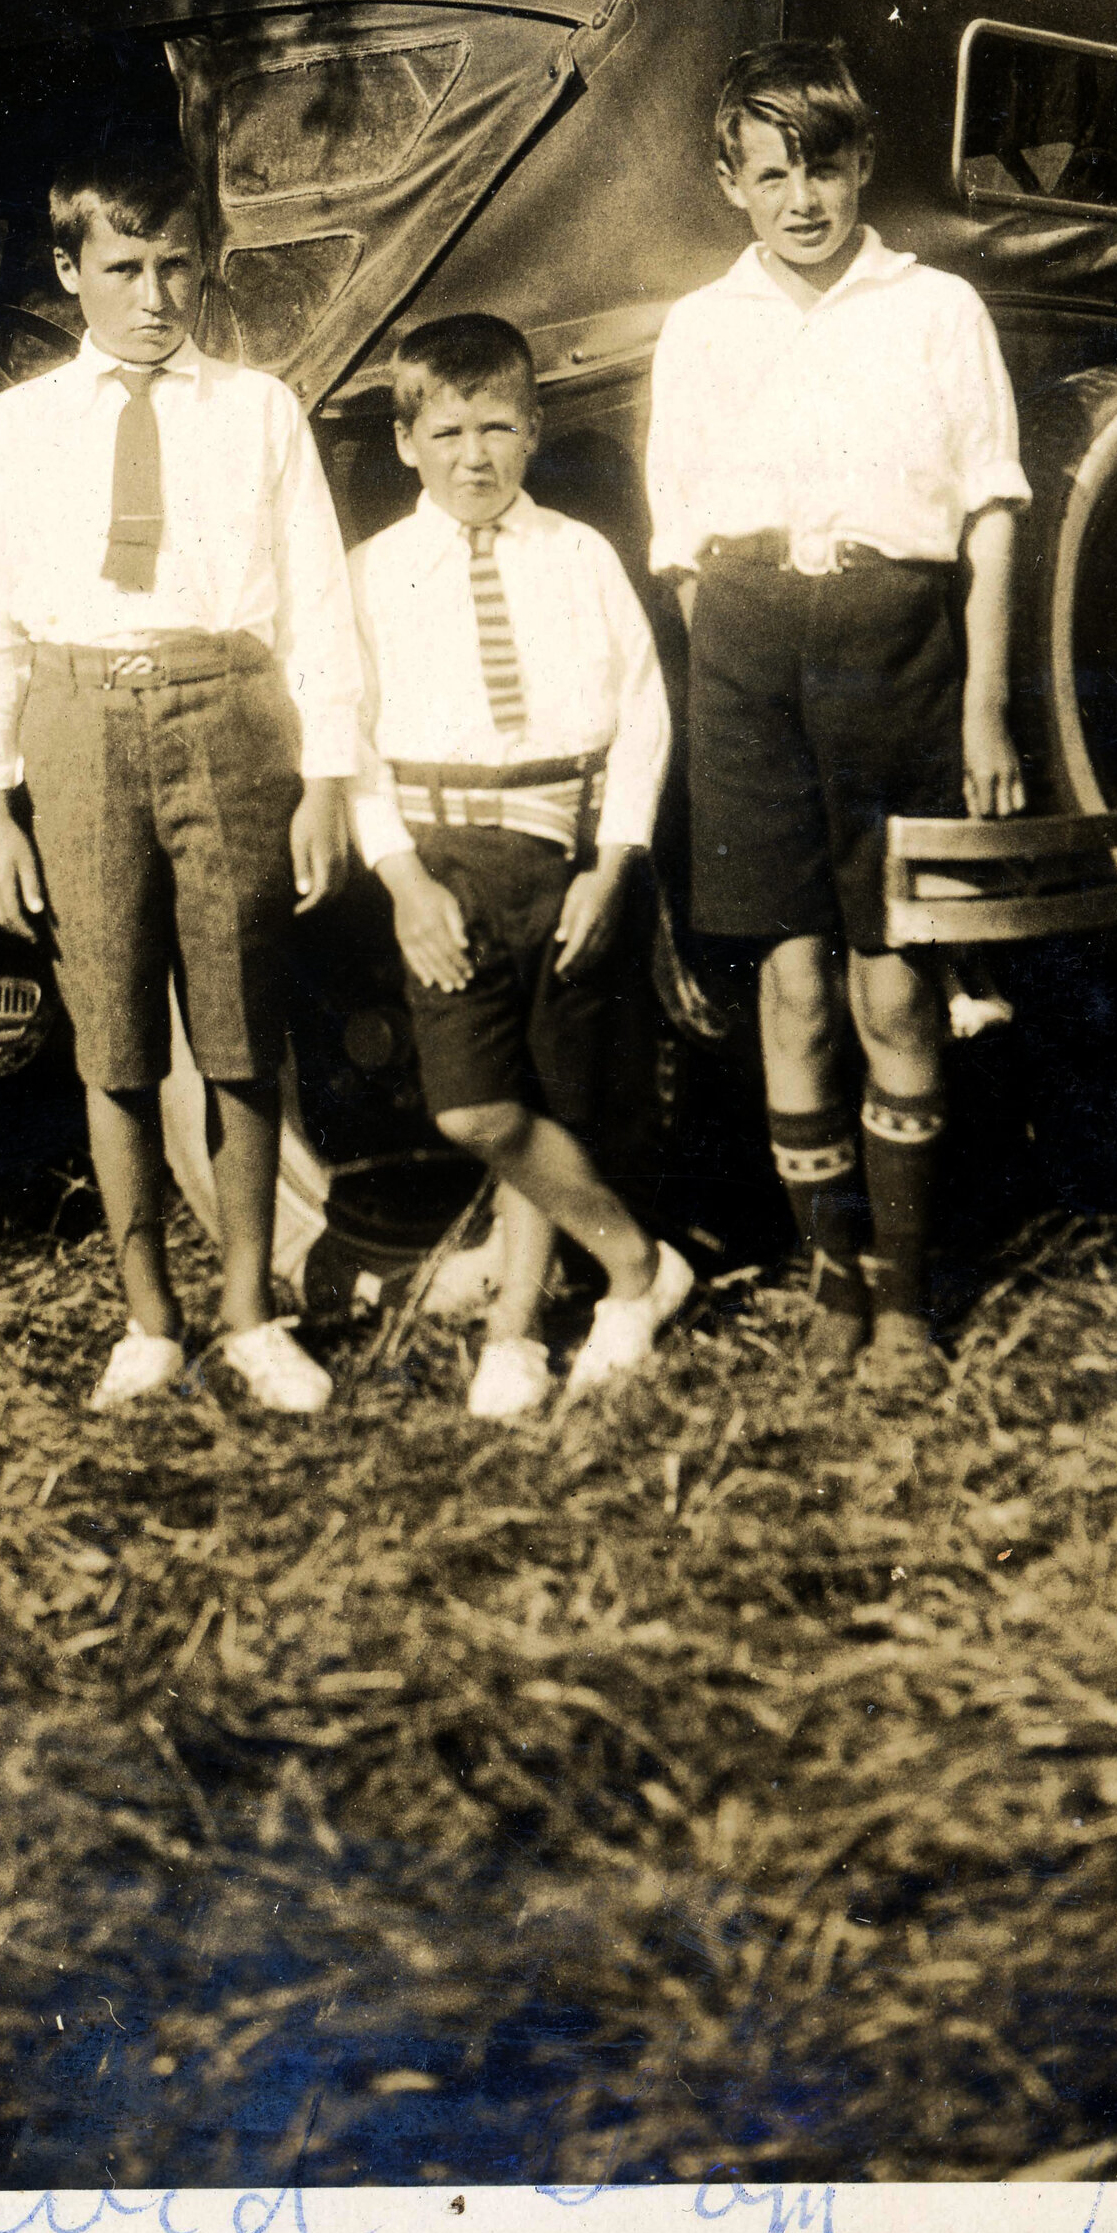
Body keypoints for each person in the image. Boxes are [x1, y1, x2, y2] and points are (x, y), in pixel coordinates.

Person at [0, 146, 362, 1418]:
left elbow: (320, 608)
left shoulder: (259, 410)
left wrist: (326, 776)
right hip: (76, 726)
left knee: (239, 1035)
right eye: (123, 267)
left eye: (178, 263)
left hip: (229, 717)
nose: (155, 295)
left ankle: (247, 1312)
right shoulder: (17, 430)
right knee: (113, 1043)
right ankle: (148, 1320)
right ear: (70, 272)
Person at [645, 43, 1029, 1382]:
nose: (801, 196)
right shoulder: (700, 326)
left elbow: (988, 513)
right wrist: (736, 676)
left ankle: (906, 1297)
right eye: (771, 172)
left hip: (898, 652)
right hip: (747, 649)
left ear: (863, 163)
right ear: (729, 182)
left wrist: (982, 704)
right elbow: (683, 539)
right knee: (794, 986)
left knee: (894, 984)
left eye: (823, 165)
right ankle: (831, 1281)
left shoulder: (937, 309)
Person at [349, 312, 690, 1420]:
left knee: (550, 1097)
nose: (474, 456)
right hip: (439, 865)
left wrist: (611, 864)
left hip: (560, 856)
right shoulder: (372, 574)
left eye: (497, 427)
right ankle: (637, 1266)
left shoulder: (579, 557)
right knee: (474, 1109)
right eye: (446, 432)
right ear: (405, 441)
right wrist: (401, 880)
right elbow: (343, 739)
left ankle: (514, 1334)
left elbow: (641, 716)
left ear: (535, 428)